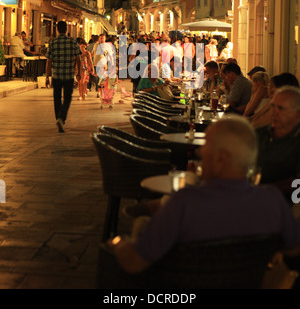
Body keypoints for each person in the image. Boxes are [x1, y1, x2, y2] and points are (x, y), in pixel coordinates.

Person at [109, 116, 300, 274]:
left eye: (205, 144)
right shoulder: (272, 201)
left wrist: (117, 243)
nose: (200, 152)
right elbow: (294, 251)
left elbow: (134, 263)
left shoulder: (184, 203)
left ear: (220, 158)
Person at [256, 86, 300, 203]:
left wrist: (268, 190)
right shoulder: (260, 134)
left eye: (280, 108)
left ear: (298, 114)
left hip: (286, 203)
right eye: (272, 106)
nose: (274, 112)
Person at [45, 21, 81, 133]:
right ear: (67, 29)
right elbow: (79, 58)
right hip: (69, 75)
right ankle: (62, 118)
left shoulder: (53, 43)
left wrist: (47, 76)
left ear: (57, 30)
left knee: (56, 98)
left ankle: (58, 118)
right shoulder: (73, 42)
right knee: (67, 98)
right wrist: (78, 72)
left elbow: (49, 61)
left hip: (56, 75)